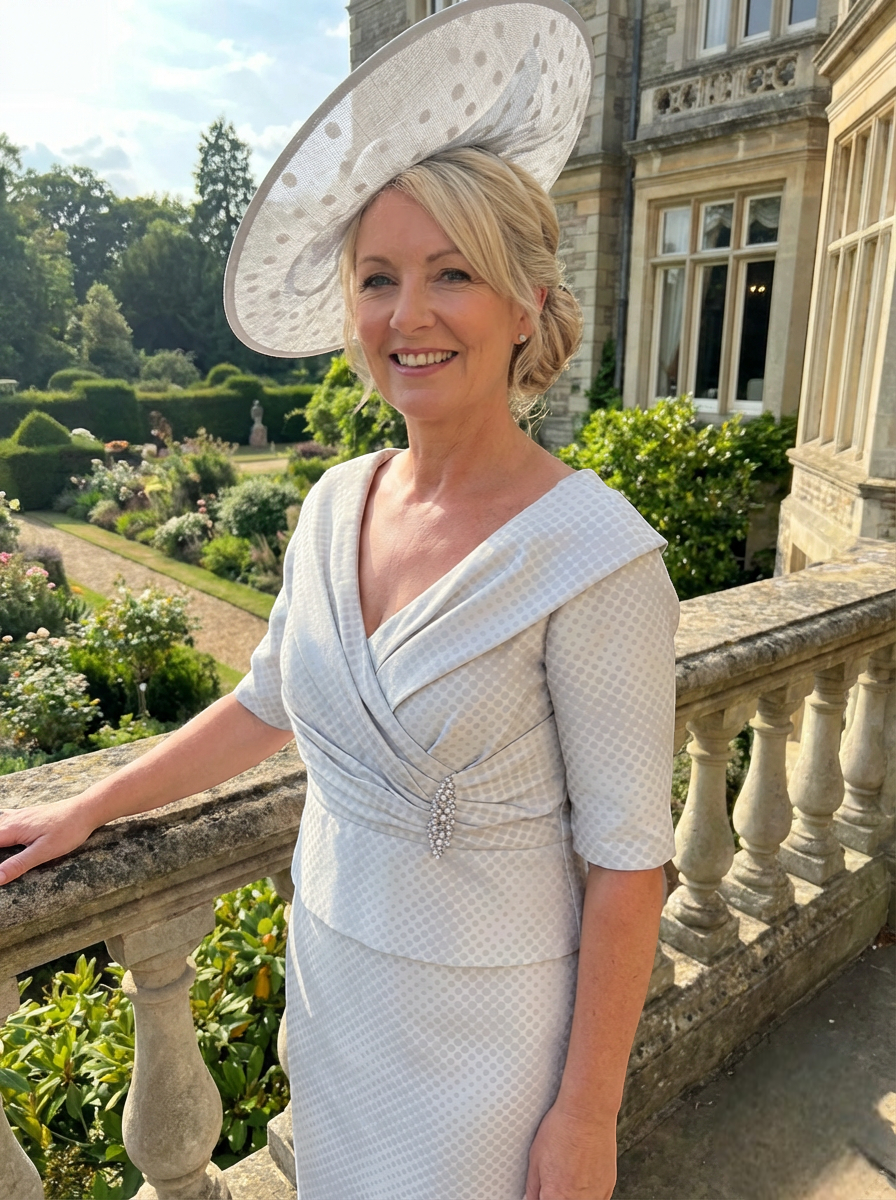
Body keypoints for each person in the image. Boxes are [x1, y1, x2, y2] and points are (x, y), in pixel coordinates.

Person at [0, 3, 678, 1197]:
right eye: (378, 279)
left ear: (524, 302)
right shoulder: (331, 504)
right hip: (333, 992)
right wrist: (92, 803)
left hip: (489, 1046)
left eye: (451, 274)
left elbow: (626, 865)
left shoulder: (594, 557)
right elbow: (268, 703)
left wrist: (586, 1114)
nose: (407, 314)